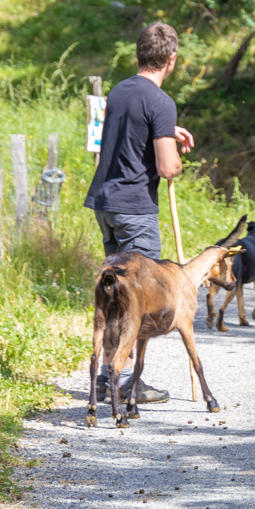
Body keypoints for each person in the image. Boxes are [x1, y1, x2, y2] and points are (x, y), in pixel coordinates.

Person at [84, 21, 195, 403]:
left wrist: (168, 129)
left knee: (114, 293)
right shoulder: (161, 101)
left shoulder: (119, 91)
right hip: (135, 209)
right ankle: (127, 379)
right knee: (137, 300)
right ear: (171, 58)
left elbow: (133, 127)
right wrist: (176, 156)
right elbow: (166, 169)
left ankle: (106, 373)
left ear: (138, 53)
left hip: (106, 204)